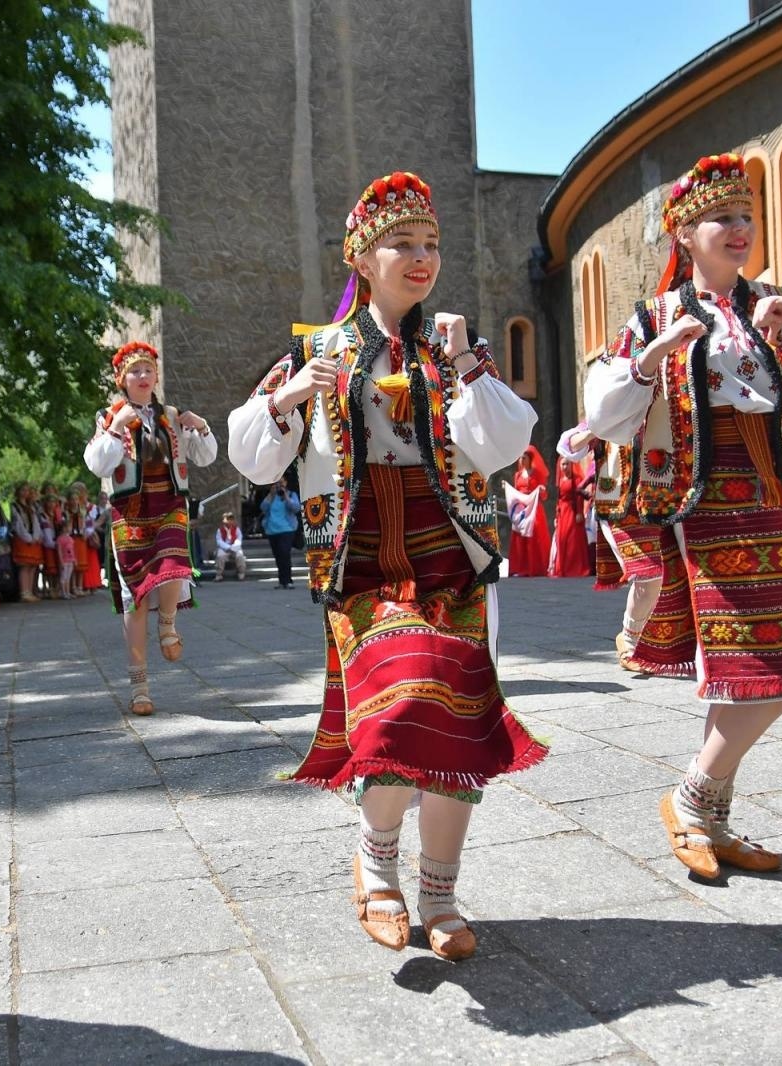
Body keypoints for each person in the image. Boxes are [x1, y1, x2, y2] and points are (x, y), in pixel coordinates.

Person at [228, 170, 545, 962]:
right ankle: (376, 864)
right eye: (403, 243)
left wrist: (470, 361)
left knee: (460, 731)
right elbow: (253, 458)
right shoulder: (320, 349)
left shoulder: (451, 346)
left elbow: (505, 446)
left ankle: (438, 890)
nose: (421, 256)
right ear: (362, 258)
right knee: (403, 712)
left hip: (455, 558)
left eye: (431, 243)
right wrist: (291, 396)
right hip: (364, 564)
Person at [584, 152, 782, 880]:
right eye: (722, 218)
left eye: (746, 218)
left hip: (777, 499)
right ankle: (696, 803)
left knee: (770, 663)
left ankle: (706, 810)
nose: (740, 230)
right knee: (761, 665)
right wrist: (655, 355)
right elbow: (606, 415)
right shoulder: (653, 318)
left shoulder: (777, 307)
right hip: (707, 504)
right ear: (684, 234)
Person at [84, 341, 217, 716]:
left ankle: (169, 624)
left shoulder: (173, 415)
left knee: (175, 560)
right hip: (129, 512)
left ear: (156, 375)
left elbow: (206, 456)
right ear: (121, 379)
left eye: (147, 370)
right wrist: (116, 429)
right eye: (134, 371)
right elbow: (97, 465)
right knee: (135, 599)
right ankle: (139, 686)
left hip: (169, 504)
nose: (142, 377)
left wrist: (201, 426)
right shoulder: (109, 416)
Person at [561, 424, 668, 668]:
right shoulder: (610, 407)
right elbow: (569, 444)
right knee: (647, 574)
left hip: (654, 504)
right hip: (617, 506)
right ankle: (629, 641)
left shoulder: (659, 405)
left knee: (663, 576)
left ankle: (646, 639)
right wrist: (597, 428)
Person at [548, 432, 593, 577]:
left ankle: (577, 568)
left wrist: (580, 512)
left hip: (574, 512)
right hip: (563, 512)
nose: (564, 467)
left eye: (567, 464)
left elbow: (579, 497)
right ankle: (564, 568)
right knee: (563, 540)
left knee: (574, 541)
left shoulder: (577, 478)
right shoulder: (560, 480)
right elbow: (558, 498)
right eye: (562, 464)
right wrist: (556, 514)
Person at [503, 444, 549, 577]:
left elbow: (544, 495)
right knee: (519, 537)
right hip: (521, 511)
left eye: (524, 458)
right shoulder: (517, 475)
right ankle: (519, 568)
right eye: (520, 458)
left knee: (535, 536)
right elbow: (516, 493)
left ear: (530, 459)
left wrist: (541, 491)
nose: (521, 460)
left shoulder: (537, 474)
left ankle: (535, 567)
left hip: (534, 509)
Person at [261, 481, 300, 589]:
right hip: (272, 530)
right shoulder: (271, 496)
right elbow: (263, 508)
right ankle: (281, 581)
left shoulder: (292, 494)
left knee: (284, 553)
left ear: (286, 483)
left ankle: (288, 580)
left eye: (281, 483)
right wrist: (271, 495)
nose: (279, 486)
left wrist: (286, 496)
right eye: (277, 484)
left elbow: (296, 508)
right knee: (278, 556)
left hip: (287, 529)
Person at [10, 483, 44, 603]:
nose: (25, 493)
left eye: (27, 490)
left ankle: (30, 591)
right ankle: (24, 592)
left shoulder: (32, 506)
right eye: (23, 490)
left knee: (33, 566)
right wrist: (28, 537)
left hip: (33, 538)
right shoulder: (15, 506)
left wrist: (36, 536)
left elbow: (36, 522)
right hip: (22, 538)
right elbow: (18, 524)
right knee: (24, 566)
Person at [215, 510, 248, 581]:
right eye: (227, 519)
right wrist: (227, 547)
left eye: (231, 519)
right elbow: (219, 541)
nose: (229, 521)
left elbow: (239, 539)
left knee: (240, 556)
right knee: (220, 556)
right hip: (224, 548)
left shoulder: (236, 529)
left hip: (234, 547)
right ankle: (219, 574)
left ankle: (241, 573)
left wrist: (234, 547)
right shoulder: (220, 530)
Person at [55, 517, 78, 600]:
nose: (70, 528)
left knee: (68, 577)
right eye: (69, 527)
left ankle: (68, 592)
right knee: (63, 577)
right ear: (64, 528)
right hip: (64, 561)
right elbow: (59, 551)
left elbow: (73, 550)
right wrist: (61, 561)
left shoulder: (70, 539)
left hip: (70, 560)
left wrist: (75, 559)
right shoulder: (60, 539)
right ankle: (63, 592)